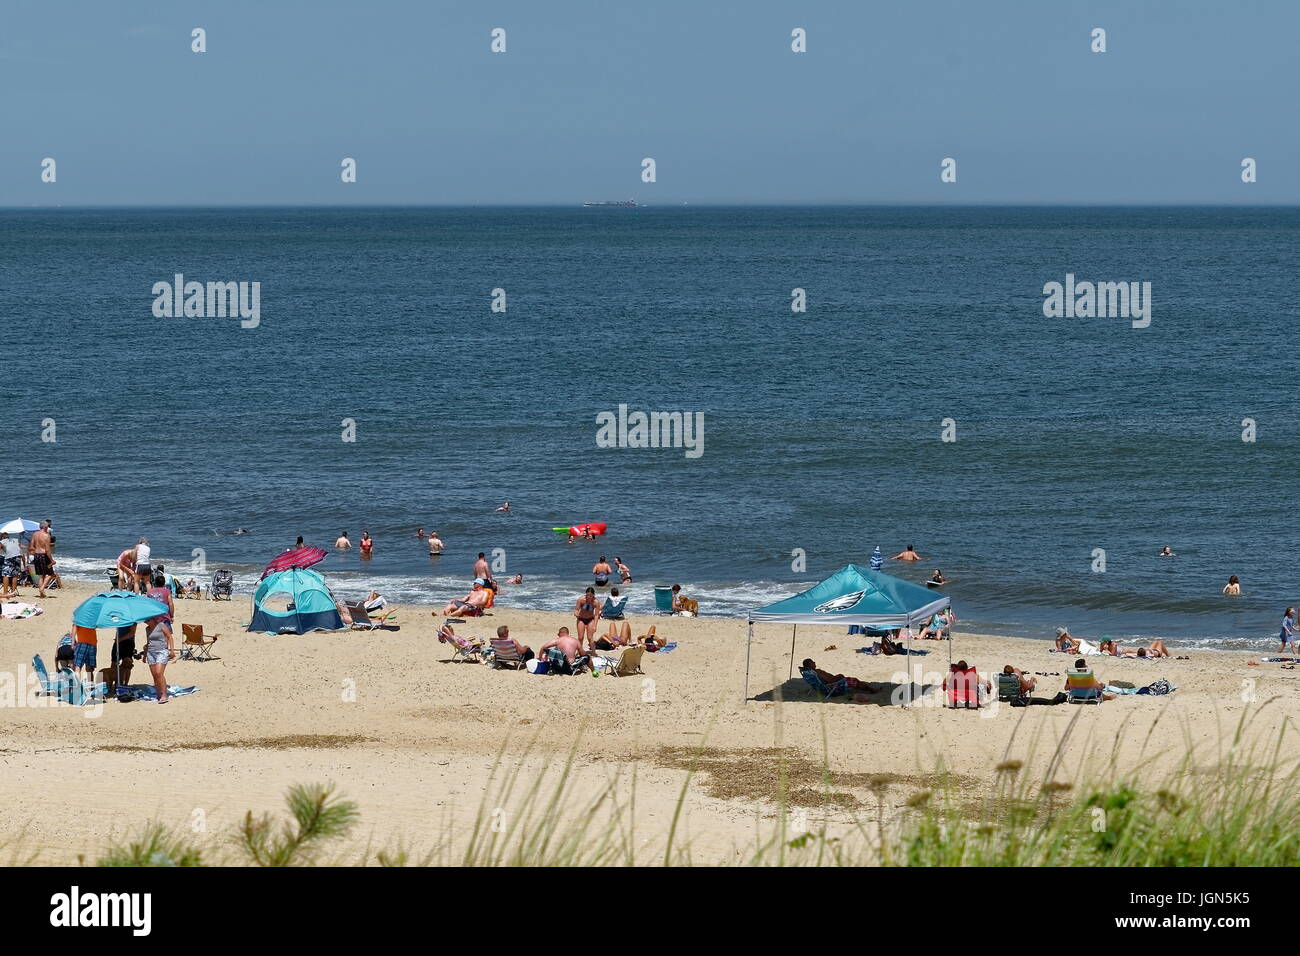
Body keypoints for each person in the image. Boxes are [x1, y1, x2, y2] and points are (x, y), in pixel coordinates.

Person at [144, 611, 175, 703]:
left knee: (159, 673)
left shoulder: (161, 626)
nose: (146, 622)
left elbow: (169, 637)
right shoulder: (147, 629)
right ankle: (159, 694)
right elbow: (148, 642)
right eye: (145, 621)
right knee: (155, 675)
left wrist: (172, 650)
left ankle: (164, 695)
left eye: (148, 620)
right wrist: (144, 655)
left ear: (153, 619)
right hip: (151, 652)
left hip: (162, 651)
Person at [801, 659, 875, 692]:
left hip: (823, 687)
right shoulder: (818, 672)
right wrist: (837, 678)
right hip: (832, 687)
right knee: (853, 680)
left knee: (844, 677)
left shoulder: (810, 673)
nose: (814, 662)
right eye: (812, 662)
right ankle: (871, 689)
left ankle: (865, 687)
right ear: (810, 665)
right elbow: (829, 680)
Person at [28, 521, 56, 597]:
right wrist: (51, 560)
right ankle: (42, 588)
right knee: (50, 574)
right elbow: (47, 550)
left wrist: (35, 552)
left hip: (36, 555)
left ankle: (41, 594)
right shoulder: (46, 535)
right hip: (44, 556)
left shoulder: (35, 534)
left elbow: (31, 546)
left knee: (41, 575)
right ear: (46, 527)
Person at [111, 623, 137, 691]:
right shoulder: (118, 618)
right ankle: (116, 683)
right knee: (114, 663)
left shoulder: (132, 618)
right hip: (118, 641)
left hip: (128, 642)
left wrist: (120, 639)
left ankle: (125, 684)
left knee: (127, 664)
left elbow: (132, 633)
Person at [0, 531, 24, 596]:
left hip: (9, 558)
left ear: (2, 537)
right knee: (15, 575)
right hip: (18, 557)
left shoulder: (3, 541)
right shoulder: (16, 540)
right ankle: (13, 592)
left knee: (6, 574)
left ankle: (5, 593)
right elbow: (20, 549)